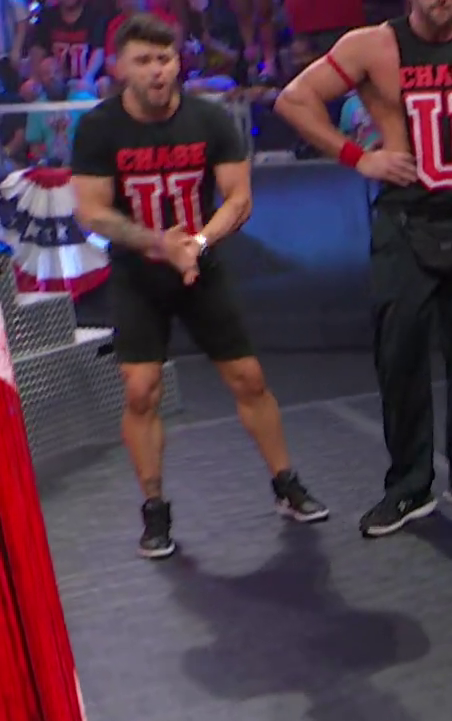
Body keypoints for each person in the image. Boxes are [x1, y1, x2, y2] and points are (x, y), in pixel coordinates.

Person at [272, 0, 452, 538]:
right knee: (400, 352)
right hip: (405, 217)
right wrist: (359, 157)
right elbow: (294, 100)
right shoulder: (371, 46)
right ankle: (409, 486)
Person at [71, 14, 329, 560]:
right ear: (120, 67)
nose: (157, 71)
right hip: (138, 274)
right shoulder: (98, 128)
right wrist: (157, 244)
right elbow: (91, 211)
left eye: (164, 59)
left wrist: (197, 244)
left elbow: (239, 198)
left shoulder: (208, 119)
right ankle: (154, 508)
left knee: (248, 378)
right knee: (141, 390)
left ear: (178, 62)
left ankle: (285, 483)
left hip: (201, 266)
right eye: (144, 61)